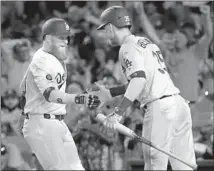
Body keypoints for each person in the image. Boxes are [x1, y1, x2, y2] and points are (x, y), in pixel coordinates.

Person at [94, 6, 197, 170]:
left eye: (104, 29)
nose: (104, 33)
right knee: (184, 166)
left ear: (111, 27)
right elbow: (142, 79)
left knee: (154, 165)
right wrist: (111, 93)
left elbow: (139, 81)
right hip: (179, 105)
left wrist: (118, 113)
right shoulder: (146, 42)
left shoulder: (126, 47)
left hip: (160, 108)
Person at [18, 18, 101, 170]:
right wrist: (81, 98)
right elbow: (51, 94)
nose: (67, 41)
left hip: (56, 123)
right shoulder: (41, 61)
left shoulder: (56, 59)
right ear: (48, 39)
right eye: (61, 37)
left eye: (67, 37)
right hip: (42, 123)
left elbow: (22, 90)